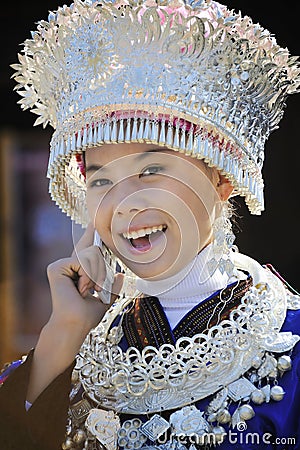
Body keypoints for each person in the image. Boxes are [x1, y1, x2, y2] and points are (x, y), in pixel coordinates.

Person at [1, 0, 300, 449]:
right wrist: (62, 332)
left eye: (151, 170)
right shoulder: (78, 347)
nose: (122, 204)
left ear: (221, 179)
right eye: (100, 179)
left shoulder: (290, 344)